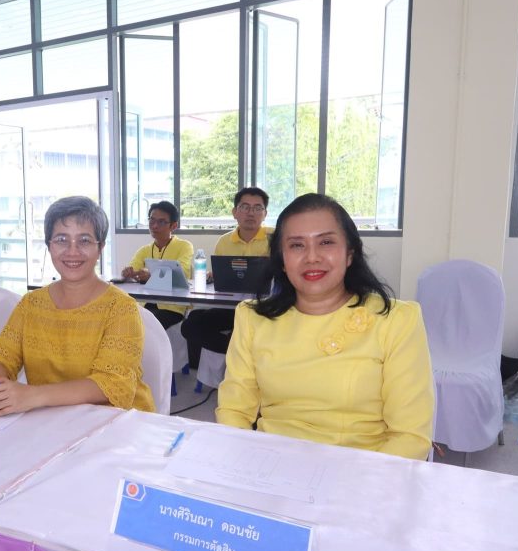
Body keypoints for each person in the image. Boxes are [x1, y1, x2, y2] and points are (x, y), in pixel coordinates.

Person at [216, 193, 434, 460]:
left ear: (349, 253)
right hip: (272, 466)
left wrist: (361, 482)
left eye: (326, 242)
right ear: (282, 260)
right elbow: (234, 411)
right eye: (297, 245)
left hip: (362, 470)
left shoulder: (396, 320)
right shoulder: (253, 318)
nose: (312, 257)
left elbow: (410, 437)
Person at [0, 196, 154, 415]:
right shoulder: (31, 304)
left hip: (117, 421)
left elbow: (111, 383)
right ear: (49, 245)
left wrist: (32, 396)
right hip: (51, 420)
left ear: (101, 247)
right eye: (61, 240)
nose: (72, 251)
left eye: (84, 240)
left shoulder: (121, 308)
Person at [181, 187, 272, 368]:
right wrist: (213, 276)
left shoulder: (276, 238)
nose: (251, 213)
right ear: (234, 212)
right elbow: (222, 275)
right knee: (191, 324)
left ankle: (240, 353)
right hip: (230, 307)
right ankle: (242, 353)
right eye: (245, 207)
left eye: (257, 208)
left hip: (263, 307)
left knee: (241, 330)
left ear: (265, 214)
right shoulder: (224, 241)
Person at [120, 200, 193, 329]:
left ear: (173, 226)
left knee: (145, 324)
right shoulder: (144, 250)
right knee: (122, 317)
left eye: (161, 222)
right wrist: (128, 273)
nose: (154, 226)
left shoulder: (184, 246)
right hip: (145, 304)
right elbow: (133, 268)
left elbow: (182, 272)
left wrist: (151, 276)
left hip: (171, 307)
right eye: (152, 220)